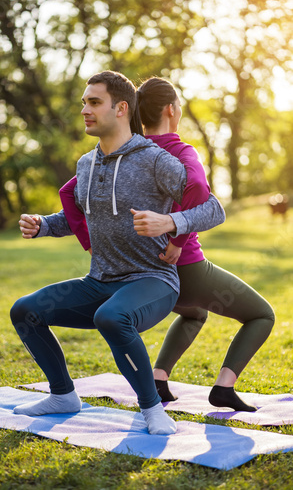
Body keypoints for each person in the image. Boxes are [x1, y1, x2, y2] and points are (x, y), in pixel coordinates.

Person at [11, 70, 225, 435]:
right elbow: (81, 215)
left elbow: (213, 209)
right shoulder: (86, 163)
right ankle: (62, 395)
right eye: (84, 103)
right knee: (25, 310)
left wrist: (170, 224)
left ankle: (153, 409)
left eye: (94, 102)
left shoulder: (155, 159)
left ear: (122, 108)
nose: (85, 110)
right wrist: (44, 224)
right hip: (100, 280)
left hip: (152, 280)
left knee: (112, 317)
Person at [61, 76, 275, 413]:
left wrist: (90, 243)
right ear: (171, 111)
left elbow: (68, 193)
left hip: (139, 273)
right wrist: (177, 238)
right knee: (262, 315)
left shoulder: (126, 149)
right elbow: (199, 192)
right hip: (183, 267)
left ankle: (159, 378)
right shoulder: (178, 151)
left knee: (194, 313)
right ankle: (224, 387)